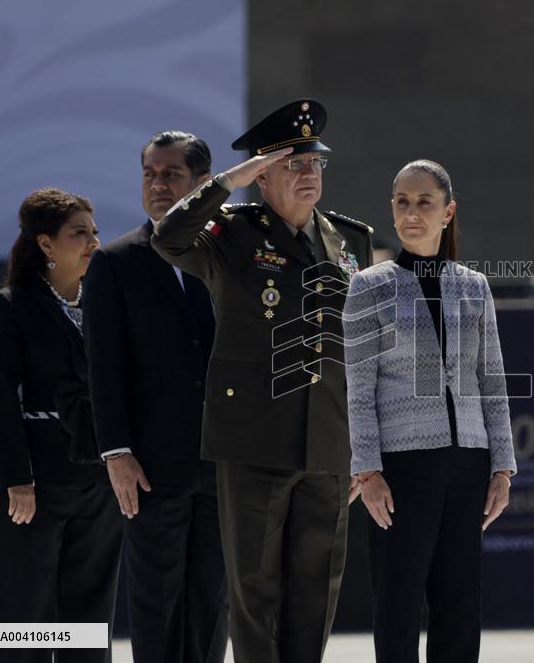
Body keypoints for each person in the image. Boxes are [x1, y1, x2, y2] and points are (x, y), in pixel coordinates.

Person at [150, 98, 373, 663]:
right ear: (262, 174)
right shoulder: (231, 233)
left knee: (316, 590)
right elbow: (168, 239)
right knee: (254, 590)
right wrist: (229, 180)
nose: (309, 174)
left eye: (315, 164)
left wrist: (365, 444)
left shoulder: (348, 241)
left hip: (328, 439)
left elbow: (365, 347)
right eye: (293, 165)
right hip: (254, 437)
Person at [343, 159, 518, 663]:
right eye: (402, 201)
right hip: (401, 467)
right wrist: (368, 467)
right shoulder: (369, 286)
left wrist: (503, 465)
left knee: (460, 604)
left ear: (448, 211)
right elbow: (358, 386)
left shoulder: (474, 285)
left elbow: (492, 379)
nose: (411, 212)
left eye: (424, 202)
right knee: (397, 603)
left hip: (468, 462)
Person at [82, 131, 227, 663]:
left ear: (205, 185)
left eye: (172, 174)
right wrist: (116, 451)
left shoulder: (233, 258)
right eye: (150, 174)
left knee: (213, 603)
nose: (159, 185)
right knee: (156, 600)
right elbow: (103, 367)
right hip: (150, 467)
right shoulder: (116, 262)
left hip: (225, 462)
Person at [0, 187, 121, 662]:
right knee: (26, 616)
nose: (94, 241)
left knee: (89, 615)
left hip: (97, 482)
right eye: (80, 233)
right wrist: (18, 479)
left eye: (95, 232)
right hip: (32, 486)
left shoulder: (106, 307)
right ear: (45, 244)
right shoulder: (9, 306)